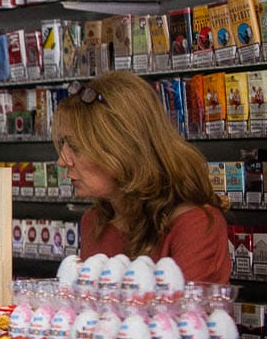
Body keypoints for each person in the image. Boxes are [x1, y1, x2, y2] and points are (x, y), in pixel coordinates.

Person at [53, 71, 230, 283]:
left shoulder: (194, 225)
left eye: (75, 146)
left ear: (123, 148)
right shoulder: (94, 222)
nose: (62, 161)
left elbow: (186, 315)